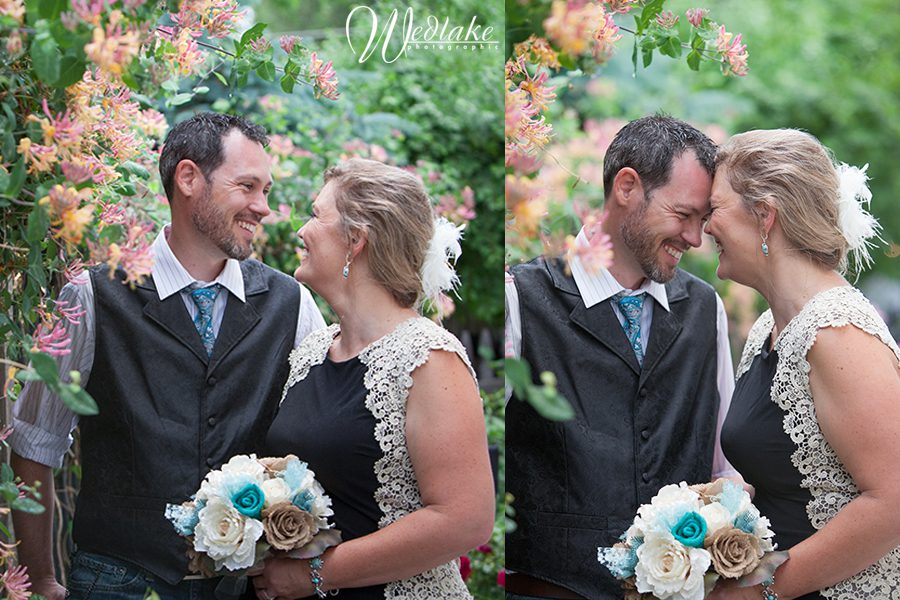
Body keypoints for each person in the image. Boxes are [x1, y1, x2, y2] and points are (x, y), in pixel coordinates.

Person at [10, 112, 326, 600]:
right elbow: (33, 442)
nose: (263, 208)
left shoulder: (292, 304)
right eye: (247, 186)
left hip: (246, 588)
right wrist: (40, 581)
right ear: (188, 178)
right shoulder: (91, 295)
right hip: (116, 581)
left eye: (266, 191)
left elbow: (325, 438)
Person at [505, 115, 742, 599]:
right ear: (627, 187)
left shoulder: (704, 309)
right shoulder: (519, 298)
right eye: (683, 214)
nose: (695, 238)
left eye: (702, 220)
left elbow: (725, 470)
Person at [251, 158, 495, 600]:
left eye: (316, 215)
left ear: (356, 240)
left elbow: (466, 519)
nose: (301, 231)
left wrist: (314, 575)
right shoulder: (313, 350)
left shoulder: (429, 357)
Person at [706, 129, 900, 600]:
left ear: (765, 215)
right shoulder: (767, 328)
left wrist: (761, 588)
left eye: (714, 209)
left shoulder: (838, 332)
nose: (705, 228)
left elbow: (893, 498)